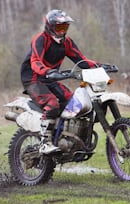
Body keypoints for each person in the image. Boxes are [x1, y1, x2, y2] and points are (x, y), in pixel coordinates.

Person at [20, 9, 101, 154]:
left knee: (74, 104)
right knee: (52, 104)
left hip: (51, 78)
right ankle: (45, 142)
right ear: (50, 26)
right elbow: (35, 61)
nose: (63, 31)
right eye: (59, 27)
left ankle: (66, 137)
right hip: (33, 79)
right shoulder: (41, 39)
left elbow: (81, 61)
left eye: (65, 27)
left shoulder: (67, 43)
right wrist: (47, 71)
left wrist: (100, 65)